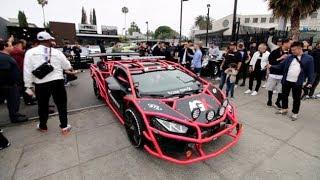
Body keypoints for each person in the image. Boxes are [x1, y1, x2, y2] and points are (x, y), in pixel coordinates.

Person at [24, 31, 72, 134]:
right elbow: (67, 66)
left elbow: (27, 71)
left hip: (40, 83)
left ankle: (43, 126)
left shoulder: (30, 52)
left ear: (38, 41)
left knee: (42, 105)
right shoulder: (57, 52)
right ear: (49, 40)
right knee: (61, 104)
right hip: (57, 81)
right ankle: (64, 127)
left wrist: (28, 85)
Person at [269, 41, 315, 121]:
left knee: (296, 98)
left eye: (294, 50)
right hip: (286, 80)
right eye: (291, 50)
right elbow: (281, 66)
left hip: (297, 82)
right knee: (284, 95)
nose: (292, 51)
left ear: (300, 48)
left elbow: (311, 72)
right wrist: (271, 66)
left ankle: (295, 113)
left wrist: (310, 82)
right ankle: (284, 109)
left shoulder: (309, 58)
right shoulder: (290, 57)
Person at [0, 39, 28, 123]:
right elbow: (3, 72)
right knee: (13, 101)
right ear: (5, 47)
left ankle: (15, 113)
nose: (12, 47)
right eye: (10, 45)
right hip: (9, 85)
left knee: (15, 101)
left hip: (10, 84)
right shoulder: (3, 58)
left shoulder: (6, 56)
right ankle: (14, 117)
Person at [266, 39, 291, 108]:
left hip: (283, 74)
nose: (291, 45)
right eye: (289, 43)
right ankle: (269, 100)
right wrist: (280, 58)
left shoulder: (291, 52)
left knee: (281, 90)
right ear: (284, 43)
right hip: (273, 73)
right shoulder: (275, 51)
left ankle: (277, 102)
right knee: (270, 87)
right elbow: (270, 61)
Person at [10, 40, 37, 105]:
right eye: (20, 45)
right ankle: (28, 100)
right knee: (25, 86)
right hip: (21, 72)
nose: (22, 47)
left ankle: (29, 99)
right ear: (16, 45)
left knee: (25, 86)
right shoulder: (18, 52)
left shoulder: (15, 52)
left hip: (20, 71)